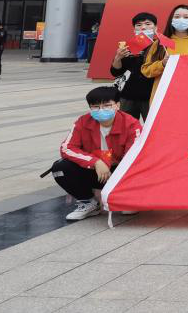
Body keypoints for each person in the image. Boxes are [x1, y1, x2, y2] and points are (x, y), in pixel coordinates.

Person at [51, 86, 141, 220]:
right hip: (96, 170)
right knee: (60, 168)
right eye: (95, 107)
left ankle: (125, 196)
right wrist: (96, 162)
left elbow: (134, 158)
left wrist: (118, 177)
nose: (101, 110)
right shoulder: (82, 121)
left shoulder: (131, 125)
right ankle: (88, 202)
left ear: (117, 105)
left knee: (128, 210)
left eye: (107, 105)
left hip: (121, 172)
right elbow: (67, 148)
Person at [140, 5, 188, 95]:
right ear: (171, 20)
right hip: (163, 95)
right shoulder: (160, 43)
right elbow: (146, 70)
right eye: (177, 17)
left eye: (186, 17)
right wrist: (162, 64)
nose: (181, 20)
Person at [112, 12, 158, 120]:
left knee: (152, 126)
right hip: (128, 96)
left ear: (155, 27)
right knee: (126, 126)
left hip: (152, 96)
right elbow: (115, 72)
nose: (143, 27)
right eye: (139, 25)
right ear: (134, 29)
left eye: (148, 24)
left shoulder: (161, 47)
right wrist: (118, 57)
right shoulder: (128, 47)